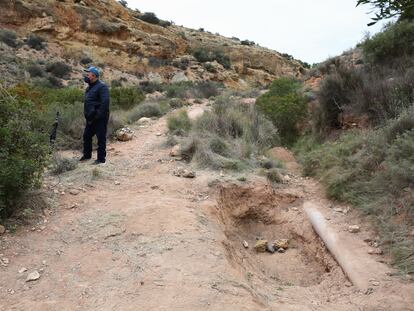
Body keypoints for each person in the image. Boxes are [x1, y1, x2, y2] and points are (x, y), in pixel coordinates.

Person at [79, 66, 110, 164]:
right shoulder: (89, 88)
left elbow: (105, 103)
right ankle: (87, 155)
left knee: (100, 138)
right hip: (90, 118)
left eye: (88, 74)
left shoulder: (102, 87)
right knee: (87, 136)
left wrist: (97, 115)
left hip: (99, 118)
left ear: (93, 76)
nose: (86, 76)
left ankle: (101, 159)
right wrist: (88, 115)